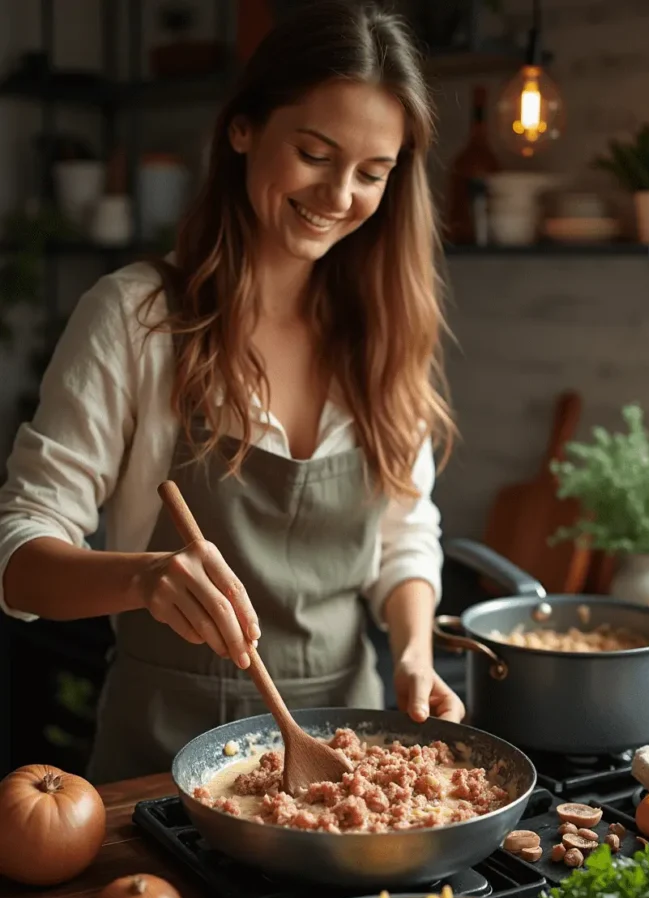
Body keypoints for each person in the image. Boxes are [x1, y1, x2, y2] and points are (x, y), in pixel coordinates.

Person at [0, 0, 464, 784]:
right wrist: (144, 578)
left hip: (351, 753)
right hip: (158, 759)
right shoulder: (135, 318)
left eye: (371, 173)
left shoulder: (383, 334)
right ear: (243, 128)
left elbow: (403, 535)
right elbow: (19, 557)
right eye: (314, 153)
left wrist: (415, 653)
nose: (338, 194)